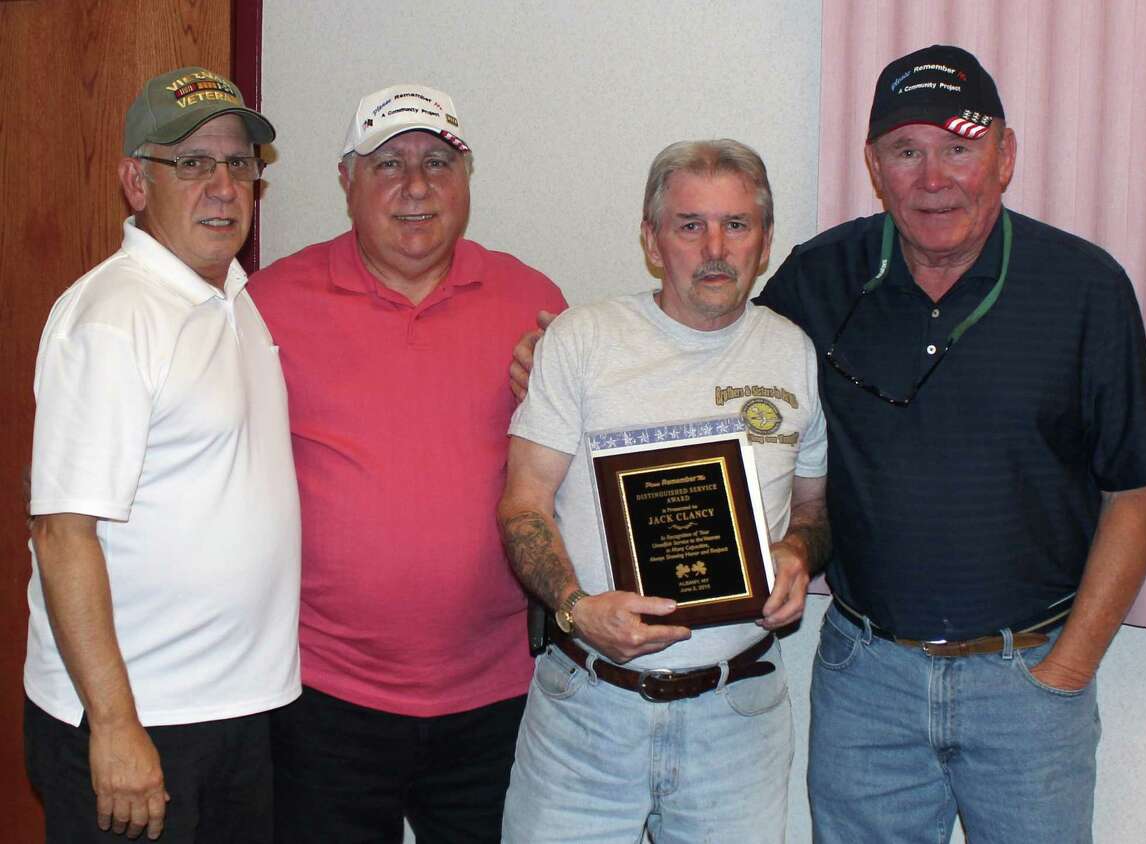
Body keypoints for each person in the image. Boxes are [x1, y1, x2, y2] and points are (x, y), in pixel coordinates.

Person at [512, 46, 1146, 842]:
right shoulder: (819, 283)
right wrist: (553, 360)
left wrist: (1069, 669)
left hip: (1026, 678)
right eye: (906, 151)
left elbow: (1137, 490)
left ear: (1005, 155)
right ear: (874, 165)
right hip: (869, 680)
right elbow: (708, 335)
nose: (934, 178)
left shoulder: (1086, 288)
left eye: (960, 148)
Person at [249, 84, 566, 843]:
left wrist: (566, 403)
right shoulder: (268, 303)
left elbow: (580, 481)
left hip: (498, 696)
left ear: (467, 178)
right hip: (322, 696)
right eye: (388, 163)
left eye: (437, 162)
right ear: (345, 181)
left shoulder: (535, 303)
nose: (416, 186)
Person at [498, 139, 829, 843]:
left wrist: (799, 553)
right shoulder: (584, 341)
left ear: (765, 242)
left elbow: (813, 507)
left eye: (737, 225)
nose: (715, 247)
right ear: (652, 240)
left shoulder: (793, 353)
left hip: (735, 717)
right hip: (586, 711)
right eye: (689, 224)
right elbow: (523, 502)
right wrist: (577, 607)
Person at [25, 67, 299, 843]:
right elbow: (61, 533)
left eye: (239, 163)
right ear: (135, 183)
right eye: (192, 163)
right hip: (137, 724)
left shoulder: (232, 301)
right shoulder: (114, 319)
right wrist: (115, 728)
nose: (222, 186)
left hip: (234, 712)